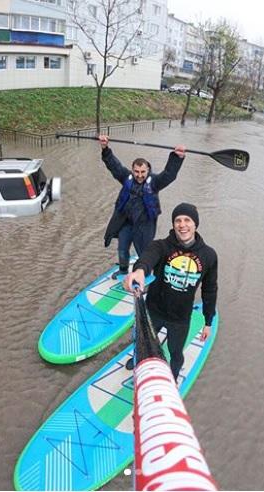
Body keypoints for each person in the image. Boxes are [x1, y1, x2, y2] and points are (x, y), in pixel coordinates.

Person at [123, 203, 218, 382]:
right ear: (173, 224)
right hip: (153, 310)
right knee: (141, 342)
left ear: (195, 224)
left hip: (180, 318)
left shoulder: (209, 256)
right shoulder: (161, 246)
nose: (182, 225)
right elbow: (147, 258)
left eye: (187, 220)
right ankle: (137, 360)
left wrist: (208, 321)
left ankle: (171, 379)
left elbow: (210, 289)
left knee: (175, 353)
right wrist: (140, 271)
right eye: (178, 220)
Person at [99, 135, 186, 279]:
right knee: (122, 249)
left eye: (143, 172)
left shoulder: (155, 182)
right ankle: (123, 270)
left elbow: (169, 174)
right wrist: (105, 148)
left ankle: (145, 275)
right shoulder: (126, 177)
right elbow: (114, 165)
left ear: (148, 170)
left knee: (144, 253)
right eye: (136, 172)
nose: (139, 175)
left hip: (144, 226)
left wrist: (177, 157)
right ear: (132, 170)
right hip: (126, 223)